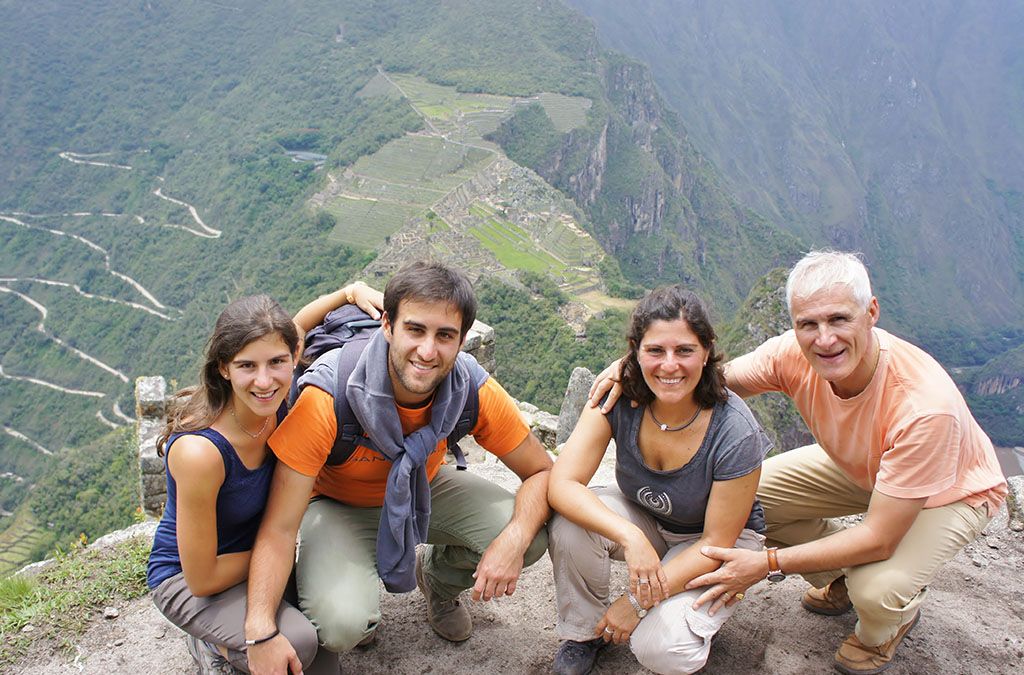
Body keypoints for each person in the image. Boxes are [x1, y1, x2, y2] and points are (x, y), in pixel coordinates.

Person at [590, 251, 1008, 674]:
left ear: (872, 312)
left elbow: (880, 536)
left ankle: (885, 627)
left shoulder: (923, 406)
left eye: (839, 319)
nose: (824, 339)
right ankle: (840, 575)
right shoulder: (792, 354)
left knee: (877, 588)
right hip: (864, 466)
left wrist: (768, 563)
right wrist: (631, 369)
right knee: (753, 497)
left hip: (949, 490)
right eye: (808, 324)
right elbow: (698, 380)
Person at [244, 260, 552, 675]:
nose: (428, 351)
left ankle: (438, 582)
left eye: (445, 336)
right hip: (337, 503)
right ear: (387, 326)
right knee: (344, 626)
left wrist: (513, 540)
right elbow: (280, 526)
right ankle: (347, 588)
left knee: (531, 537)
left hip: (425, 487)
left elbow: (540, 471)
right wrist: (259, 627)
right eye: (415, 330)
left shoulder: (471, 390)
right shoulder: (329, 397)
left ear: (461, 342)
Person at [147, 282, 383, 674]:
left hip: (261, 555)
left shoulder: (283, 395)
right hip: (194, 578)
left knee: (325, 652)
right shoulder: (201, 453)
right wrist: (281, 553)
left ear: (294, 357)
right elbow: (202, 577)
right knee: (299, 644)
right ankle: (214, 647)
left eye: (277, 363)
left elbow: (297, 326)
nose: (264, 380)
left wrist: (349, 292)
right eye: (246, 366)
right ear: (224, 368)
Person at [548, 285, 772, 675]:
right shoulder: (619, 397)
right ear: (635, 350)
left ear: (706, 351)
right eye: (656, 351)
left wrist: (635, 603)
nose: (670, 365)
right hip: (649, 520)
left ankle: (694, 622)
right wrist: (630, 537)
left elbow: (716, 542)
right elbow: (562, 484)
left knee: (661, 649)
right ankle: (586, 634)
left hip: (714, 544)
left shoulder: (734, 430)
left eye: (684, 350)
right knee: (571, 524)